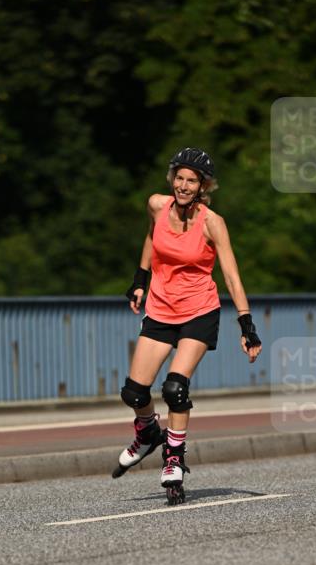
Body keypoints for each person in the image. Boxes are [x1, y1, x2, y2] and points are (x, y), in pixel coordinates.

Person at [112, 147, 262, 504]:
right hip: (161, 308)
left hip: (199, 311)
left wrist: (246, 324)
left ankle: (174, 459)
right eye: (178, 178)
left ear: (202, 186)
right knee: (134, 393)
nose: (182, 185)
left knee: (175, 389)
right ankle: (148, 432)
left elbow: (230, 274)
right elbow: (151, 237)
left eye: (191, 181)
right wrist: (139, 279)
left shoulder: (213, 223)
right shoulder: (156, 205)